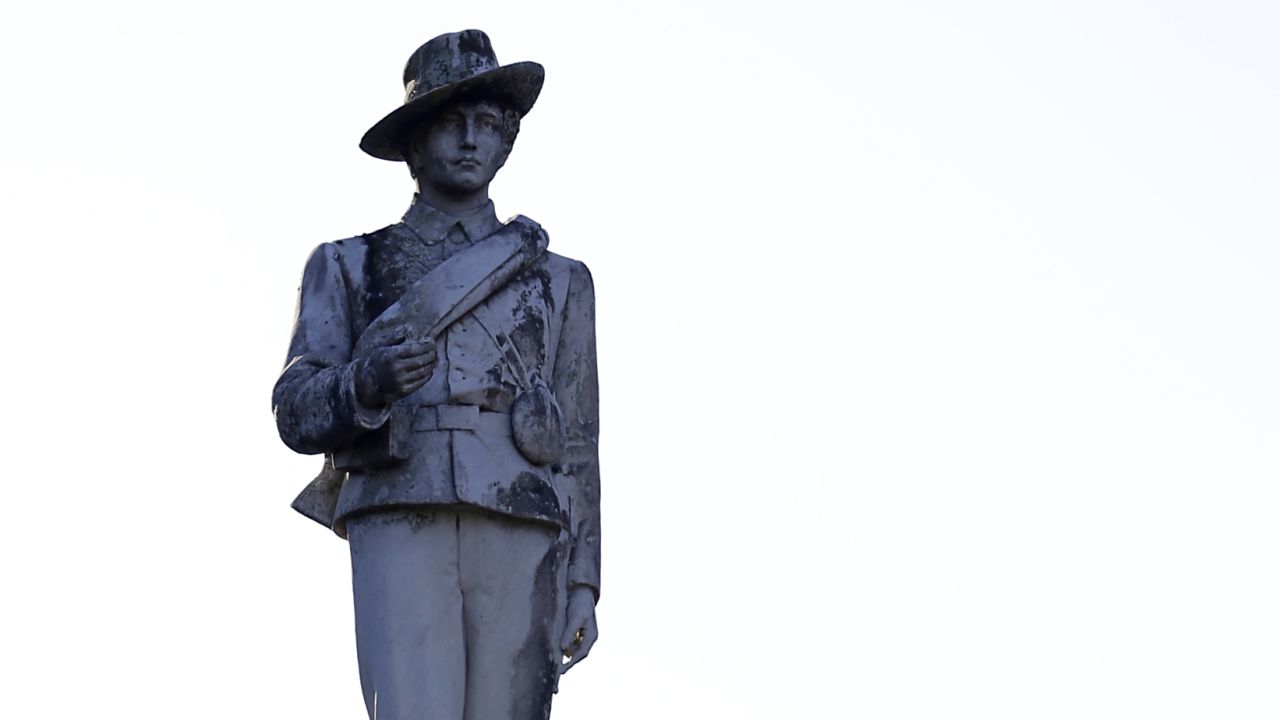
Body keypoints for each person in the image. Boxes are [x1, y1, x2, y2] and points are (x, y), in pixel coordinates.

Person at [271, 29, 600, 720]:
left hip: (520, 511)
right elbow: (295, 408)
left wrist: (584, 583)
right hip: (399, 501)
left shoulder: (559, 278)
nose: (473, 140)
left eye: (489, 124)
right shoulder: (347, 265)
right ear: (415, 142)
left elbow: (578, 445)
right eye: (452, 122)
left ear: (509, 139)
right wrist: (366, 384)